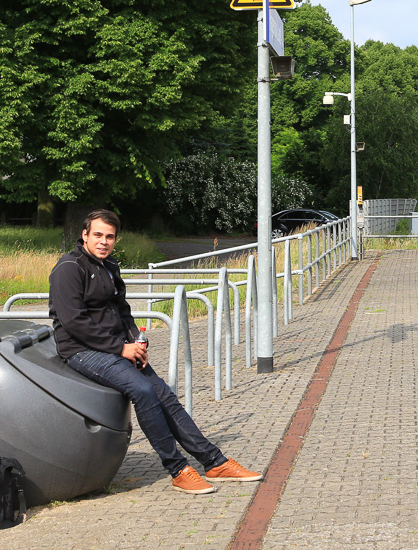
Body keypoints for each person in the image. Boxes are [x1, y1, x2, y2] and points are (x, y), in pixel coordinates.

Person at [48, 209, 262, 495]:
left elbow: (122, 311)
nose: (103, 242)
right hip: (82, 350)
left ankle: (214, 462)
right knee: (143, 391)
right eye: (97, 235)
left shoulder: (109, 266)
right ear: (84, 235)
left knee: (163, 394)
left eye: (109, 237)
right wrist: (120, 348)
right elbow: (74, 322)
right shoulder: (68, 268)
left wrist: (136, 339)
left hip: (117, 348)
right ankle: (177, 469)